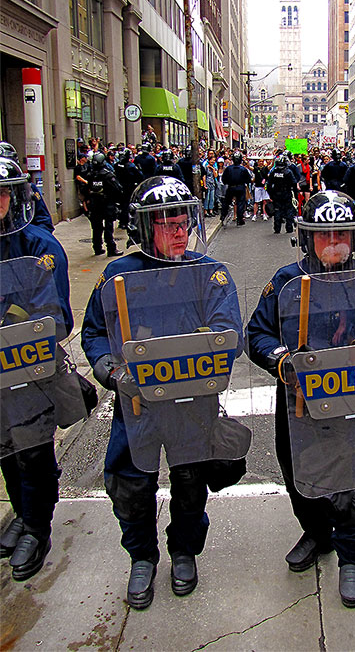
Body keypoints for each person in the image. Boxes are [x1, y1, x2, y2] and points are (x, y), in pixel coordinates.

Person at [81, 177, 250, 609]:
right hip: (136, 403)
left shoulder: (208, 273)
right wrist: (110, 370)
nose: (179, 231)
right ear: (143, 229)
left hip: (193, 403)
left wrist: (209, 354)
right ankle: (141, 557)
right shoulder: (118, 274)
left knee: (191, 480)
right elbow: (96, 332)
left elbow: (229, 330)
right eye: (167, 225)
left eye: (182, 222)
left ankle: (184, 552)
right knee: (132, 483)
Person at [247, 190, 355, 608]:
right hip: (297, 403)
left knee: (354, 482)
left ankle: (354, 556)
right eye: (323, 235)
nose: (333, 242)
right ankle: (318, 533)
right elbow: (257, 334)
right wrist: (282, 361)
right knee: (300, 472)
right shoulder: (285, 281)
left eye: (342, 234)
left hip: (352, 401)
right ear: (307, 239)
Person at [0, 157, 79, 581]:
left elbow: (56, 314)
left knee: (32, 448)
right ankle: (21, 510)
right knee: (5, 449)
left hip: (28, 367)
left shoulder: (39, 245)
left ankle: (37, 526)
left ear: (14, 196)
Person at [84, 151, 123, 256]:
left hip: (94, 204)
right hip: (107, 204)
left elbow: (86, 189)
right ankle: (111, 248)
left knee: (96, 227)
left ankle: (97, 247)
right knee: (108, 227)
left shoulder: (90, 175)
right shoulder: (108, 175)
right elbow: (118, 188)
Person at [266, 154, 297, 234]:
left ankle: (277, 228)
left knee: (277, 211)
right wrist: (295, 194)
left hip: (276, 194)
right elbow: (294, 183)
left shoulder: (274, 172)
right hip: (286, 193)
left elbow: (268, 184)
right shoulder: (288, 172)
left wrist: (271, 195)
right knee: (289, 210)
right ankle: (289, 228)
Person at [220, 150, 252, 226]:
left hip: (231, 187)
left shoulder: (229, 168)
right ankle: (239, 219)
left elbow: (224, 179)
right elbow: (248, 179)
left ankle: (223, 215)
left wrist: (228, 183)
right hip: (240, 187)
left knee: (227, 202)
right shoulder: (243, 169)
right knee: (240, 203)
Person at [114, 148, 143, 229]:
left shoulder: (117, 165)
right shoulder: (131, 166)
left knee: (121, 204)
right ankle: (125, 222)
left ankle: (121, 221)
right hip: (128, 187)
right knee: (126, 205)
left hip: (119, 187)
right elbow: (139, 176)